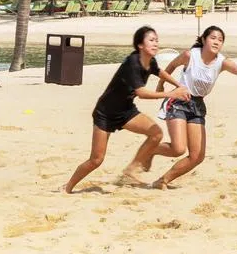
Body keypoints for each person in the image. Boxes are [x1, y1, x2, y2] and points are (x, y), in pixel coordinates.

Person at [63, 26, 190, 193]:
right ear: (140, 45)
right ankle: (67, 187)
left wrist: (179, 85)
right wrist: (171, 93)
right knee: (96, 159)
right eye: (151, 40)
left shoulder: (149, 60)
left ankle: (132, 168)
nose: (155, 43)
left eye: (156, 40)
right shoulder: (133, 63)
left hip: (126, 111)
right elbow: (142, 93)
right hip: (105, 113)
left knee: (156, 134)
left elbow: (159, 72)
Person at [147, 26, 237, 188]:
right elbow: (170, 67)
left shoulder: (221, 62)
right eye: (213, 38)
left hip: (197, 105)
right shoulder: (190, 55)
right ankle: (151, 149)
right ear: (203, 39)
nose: (217, 42)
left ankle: (163, 180)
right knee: (178, 148)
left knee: (197, 156)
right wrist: (161, 84)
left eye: (220, 40)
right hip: (179, 101)